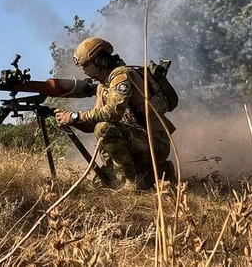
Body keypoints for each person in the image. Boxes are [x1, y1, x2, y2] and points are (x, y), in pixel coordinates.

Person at [53, 37, 176, 190]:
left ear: (101, 62)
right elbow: (92, 124)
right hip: (137, 144)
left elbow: (112, 113)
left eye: (88, 67)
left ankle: (132, 182)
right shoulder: (102, 87)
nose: (86, 72)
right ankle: (157, 173)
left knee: (103, 128)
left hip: (154, 143)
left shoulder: (122, 75)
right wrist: (69, 120)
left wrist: (74, 116)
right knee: (101, 183)